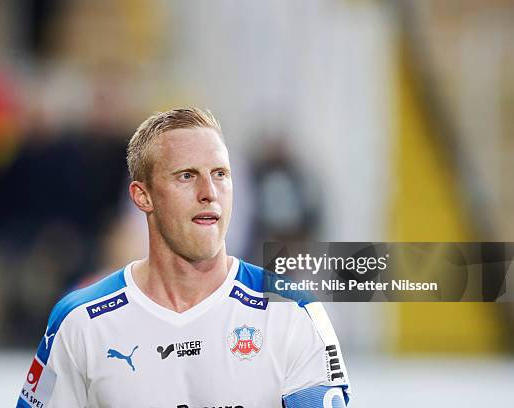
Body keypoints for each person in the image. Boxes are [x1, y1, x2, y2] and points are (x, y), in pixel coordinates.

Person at [17, 108, 351, 407]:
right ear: (143, 196)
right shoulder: (81, 321)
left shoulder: (293, 313)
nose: (209, 192)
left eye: (220, 174)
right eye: (186, 176)